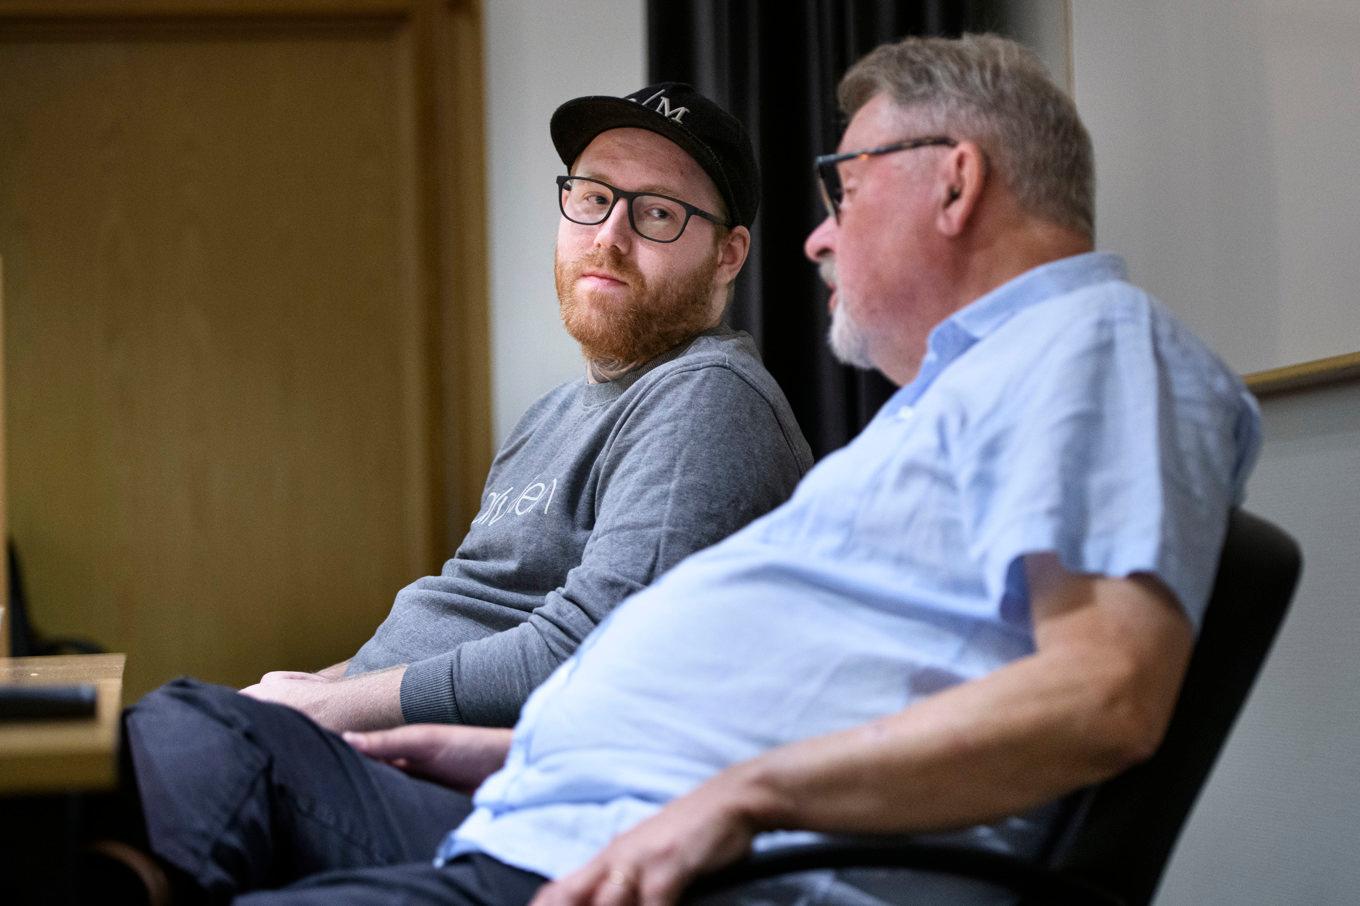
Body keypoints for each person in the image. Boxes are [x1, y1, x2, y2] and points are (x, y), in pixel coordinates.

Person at [127, 34, 1260, 905]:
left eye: (845, 186)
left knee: (167, 755)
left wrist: (742, 795)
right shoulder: (944, 412)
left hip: (642, 868)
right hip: (541, 810)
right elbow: (818, 686)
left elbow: (1105, 692)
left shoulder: (1092, 343)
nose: (819, 236)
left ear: (954, 182)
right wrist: (523, 741)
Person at [228, 81, 812, 732]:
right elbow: (467, 616)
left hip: (453, 784)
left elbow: (589, 648)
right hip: (366, 742)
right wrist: (311, 688)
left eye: (655, 214)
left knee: (150, 749)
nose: (608, 239)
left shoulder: (708, 396)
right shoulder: (551, 415)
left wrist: (324, 710)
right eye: (593, 199)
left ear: (728, 255)